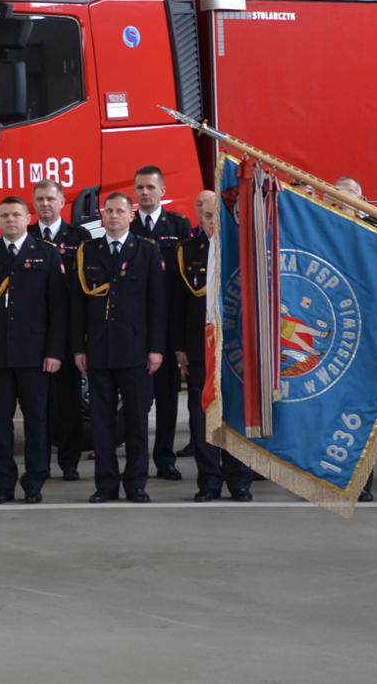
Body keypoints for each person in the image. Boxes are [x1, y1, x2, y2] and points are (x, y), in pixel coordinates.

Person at [0, 197, 66, 505]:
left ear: (27, 218)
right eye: (5, 215)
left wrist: (54, 351)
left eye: (16, 215)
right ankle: (4, 484)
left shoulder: (46, 253)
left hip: (35, 355)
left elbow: (58, 308)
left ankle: (34, 482)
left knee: (37, 422)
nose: (10, 220)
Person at [74, 192, 166, 504]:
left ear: (131, 216)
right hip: (98, 350)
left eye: (119, 211)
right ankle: (106, 485)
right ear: (102, 216)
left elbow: (157, 304)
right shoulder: (88, 251)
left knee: (137, 422)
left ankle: (136, 484)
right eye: (109, 211)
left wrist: (156, 348)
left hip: (136, 350)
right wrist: (78, 348)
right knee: (102, 424)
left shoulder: (147, 250)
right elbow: (77, 305)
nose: (113, 216)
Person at [176, 190, 252, 502]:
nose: (212, 222)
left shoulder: (243, 249)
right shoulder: (187, 251)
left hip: (236, 348)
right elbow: (177, 304)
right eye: (207, 216)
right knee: (202, 415)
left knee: (235, 414)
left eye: (217, 216)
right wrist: (179, 347)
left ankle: (239, 480)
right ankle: (209, 481)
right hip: (199, 346)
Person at [128, 165, 192, 476]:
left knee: (167, 400)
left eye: (150, 187)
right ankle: (136, 461)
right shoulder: (127, 225)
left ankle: (165, 459)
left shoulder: (178, 225)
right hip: (135, 328)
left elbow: (185, 278)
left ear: (162, 191)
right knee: (136, 402)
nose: (144, 192)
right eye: (140, 187)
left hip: (167, 326)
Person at [28, 179, 92, 480]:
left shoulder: (79, 237)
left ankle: (69, 462)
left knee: (68, 403)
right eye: (40, 199)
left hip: (68, 331)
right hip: (33, 333)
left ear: (62, 202)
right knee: (37, 406)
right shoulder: (26, 235)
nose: (45, 204)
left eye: (50, 199)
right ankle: (39, 464)